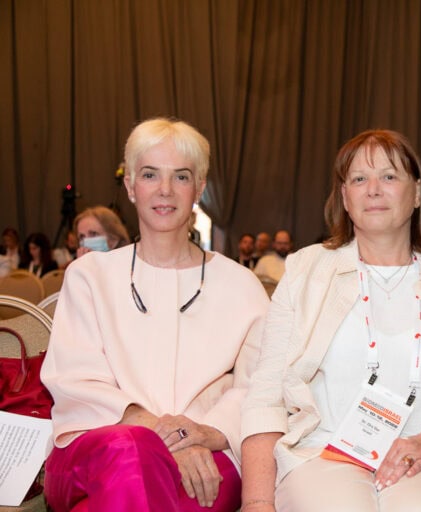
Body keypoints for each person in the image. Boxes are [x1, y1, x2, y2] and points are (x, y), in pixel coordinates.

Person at [240, 129, 421, 512]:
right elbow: (264, 398)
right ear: (345, 198)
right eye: (358, 179)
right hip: (322, 453)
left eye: (389, 176)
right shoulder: (305, 272)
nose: (373, 189)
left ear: (416, 193)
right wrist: (255, 502)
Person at [40, 117, 270, 512]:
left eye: (181, 177)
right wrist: (159, 437)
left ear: (199, 188)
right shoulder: (89, 276)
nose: (164, 190)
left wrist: (202, 434)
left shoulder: (242, 285)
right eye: (150, 174)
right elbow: (75, 380)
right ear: (130, 185)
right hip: (96, 445)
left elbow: (259, 386)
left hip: (208, 449)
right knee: (131, 453)